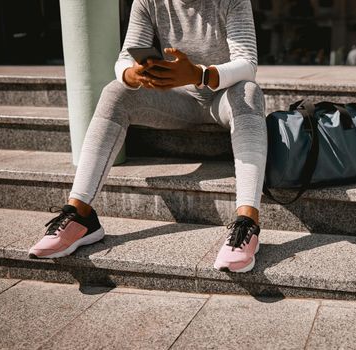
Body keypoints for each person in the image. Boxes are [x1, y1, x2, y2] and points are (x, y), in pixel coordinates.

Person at [28, 0, 267, 274]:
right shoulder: (147, 1)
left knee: (249, 91)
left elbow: (247, 63)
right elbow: (124, 60)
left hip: (224, 97)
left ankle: (247, 223)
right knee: (115, 91)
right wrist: (133, 74)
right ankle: (80, 215)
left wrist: (199, 74)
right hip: (179, 100)